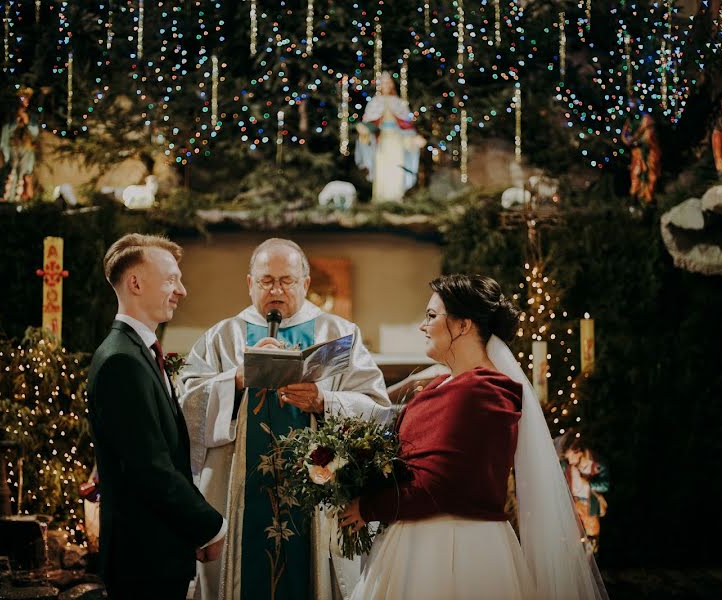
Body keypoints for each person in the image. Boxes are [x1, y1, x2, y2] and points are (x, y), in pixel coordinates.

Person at [340, 274, 608, 600]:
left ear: (464, 325)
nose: (423, 326)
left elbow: (446, 484)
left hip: (456, 549)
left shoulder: (487, 391)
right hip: (413, 544)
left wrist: (369, 507)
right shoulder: (441, 385)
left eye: (431, 316)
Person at [179, 238, 392, 600]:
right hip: (240, 497)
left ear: (305, 284)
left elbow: (376, 408)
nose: (276, 290)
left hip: (317, 497)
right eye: (266, 281)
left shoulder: (339, 334)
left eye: (286, 281)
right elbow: (187, 405)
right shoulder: (222, 337)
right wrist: (236, 380)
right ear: (249, 283)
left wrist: (325, 401)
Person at [87, 233, 226, 600]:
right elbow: (149, 467)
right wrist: (210, 527)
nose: (181, 290)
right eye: (171, 279)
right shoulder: (121, 360)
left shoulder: (138, 352)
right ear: (135, 283)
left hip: (156, 548)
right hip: (142, 558)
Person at [355, 72, 426, 203]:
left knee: (396, 168)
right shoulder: (374, 103)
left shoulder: (399, 103)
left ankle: (396, 199)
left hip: (397, 141)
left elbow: (407, 126)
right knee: (382, 169)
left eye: (388, 83)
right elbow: (369, 125)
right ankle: (381, 200)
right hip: (381, 142)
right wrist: (365, 130)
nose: (386, 86)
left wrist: (413, 138)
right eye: (383, 83)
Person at [0, 87, 40, 203]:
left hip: (26, 147)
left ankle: (18, 198)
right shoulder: (11, 115)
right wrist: (16, 122)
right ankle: (8, 197)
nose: (24, 101)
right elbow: (6, 131)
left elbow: (35, 133)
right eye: (22, 98)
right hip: (13, 146)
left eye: (26, 98)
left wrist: (27, 122)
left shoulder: (32, 116)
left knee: (23, 172)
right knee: (12, 170)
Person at [621, 100, 661, 204]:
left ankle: (648, 198)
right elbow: (625, 136)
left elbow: (649, 137)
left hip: (648, 153)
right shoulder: (629, 122)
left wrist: (635, 140)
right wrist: (630, 141)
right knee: (636, 173)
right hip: (637, 154)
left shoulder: (646, 120)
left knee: (649, 174)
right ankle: (636, 197)